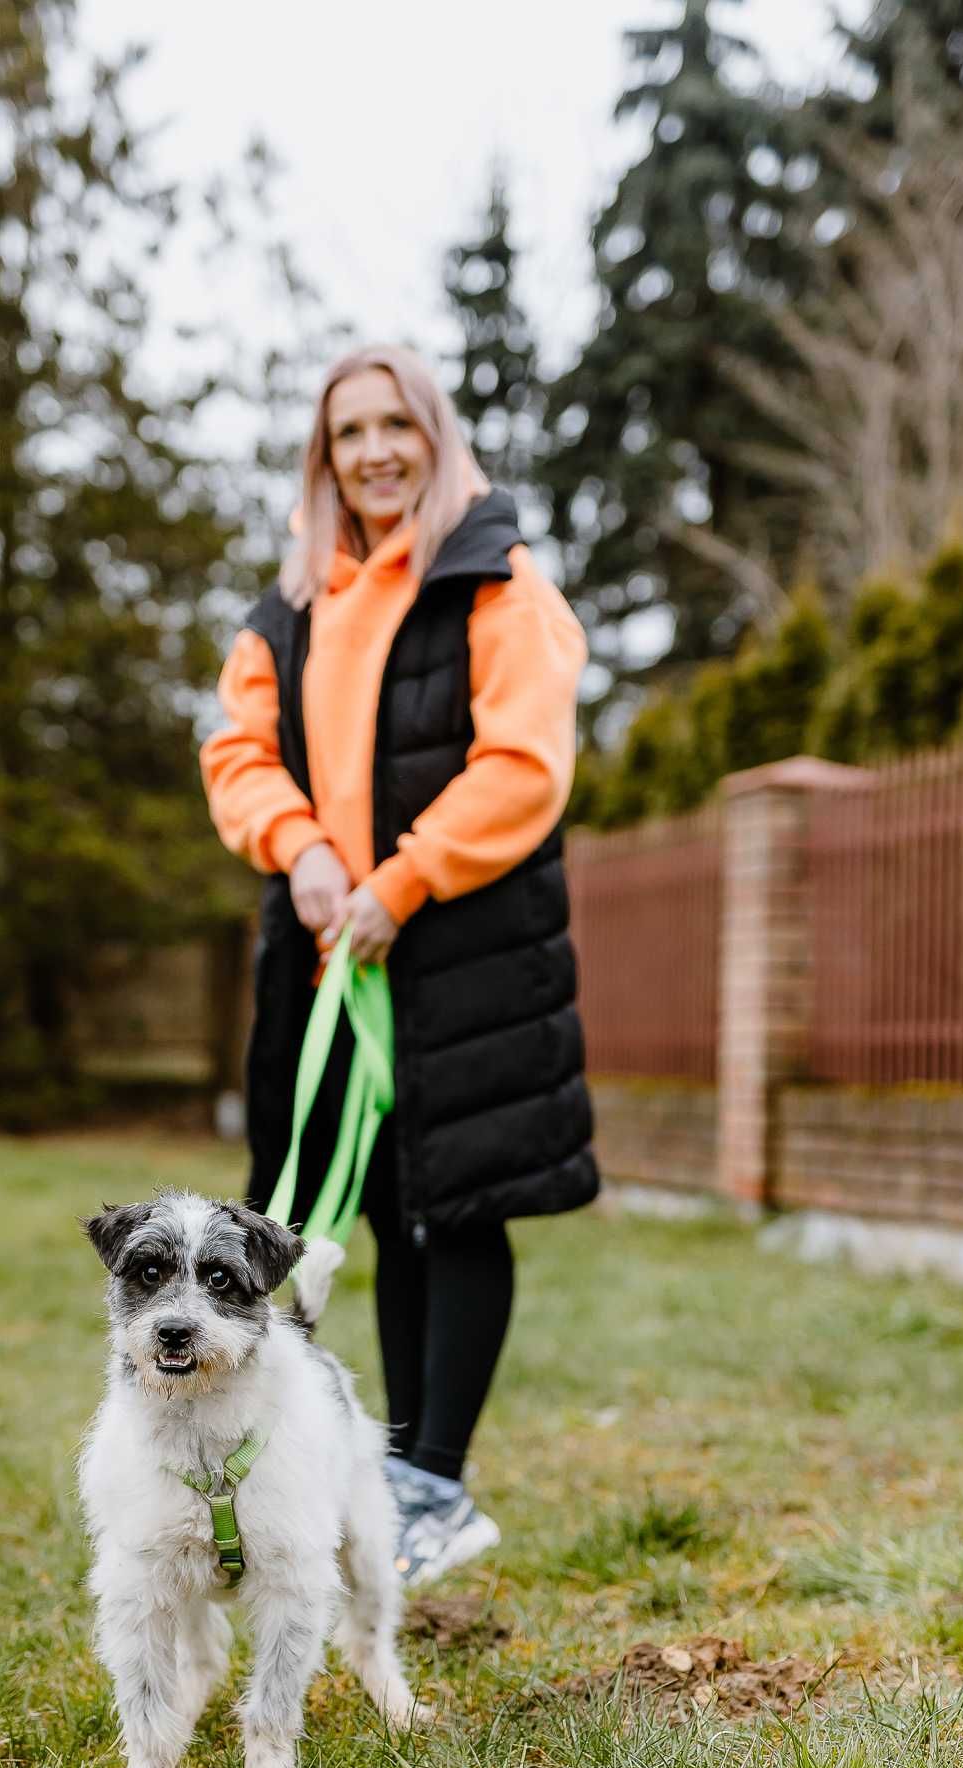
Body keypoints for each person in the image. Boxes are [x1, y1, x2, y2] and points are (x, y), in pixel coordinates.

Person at [200, 344, 598, 1585]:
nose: (373, 450)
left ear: (433, 434)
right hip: (325, 951)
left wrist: (401, 879)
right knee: (376, 1205)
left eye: (394, 425)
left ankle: (438, 1482)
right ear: (323, 458)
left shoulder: (495, 577)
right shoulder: (286, 608)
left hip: (463, 947)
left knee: (461, 1199)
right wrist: (304, 849)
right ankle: (391, 1471)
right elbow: (236, 752)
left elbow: (523, 763)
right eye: (346, 432)